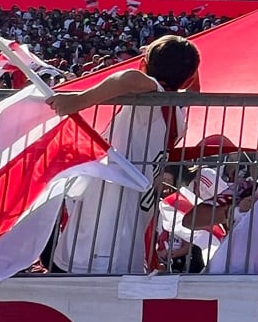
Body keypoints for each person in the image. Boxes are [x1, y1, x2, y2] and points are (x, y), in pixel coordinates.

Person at [46, 35, 202, 274]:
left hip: (106, 216)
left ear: (144, 65)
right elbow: (194, 89)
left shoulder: (151, 98)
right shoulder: (177, 112)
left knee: (76, 278)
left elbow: (129, 78)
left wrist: (78, 100)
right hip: (130, 219)